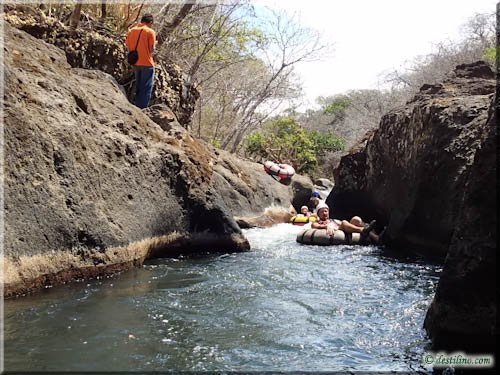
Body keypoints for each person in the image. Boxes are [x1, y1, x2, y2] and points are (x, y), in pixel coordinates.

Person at [125, 14, 157, 109]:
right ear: (150, 22)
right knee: (146, 88)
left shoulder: (131, 31)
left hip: (135, 62)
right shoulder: (150, 32)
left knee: (138, 85)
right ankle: (141, 109)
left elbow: (128, 46)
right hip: (147, 63)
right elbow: (152, 50)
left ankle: (134, 104)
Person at [311, 202, 379, 242]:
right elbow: (315, 226)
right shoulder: (317, 222)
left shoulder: (334, 220)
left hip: (343, 231)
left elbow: (346, 225)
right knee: (343, 222)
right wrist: (327, 226)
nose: (324, 213)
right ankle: (364, 230)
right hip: (337, 233)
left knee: (356, 219)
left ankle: (375, 236)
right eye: (322, 212)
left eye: (325, 211)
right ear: (318, 214)